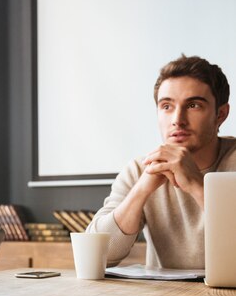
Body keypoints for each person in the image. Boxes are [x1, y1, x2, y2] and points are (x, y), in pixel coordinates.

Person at [87, 55, 236, 269]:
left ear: (221, 114)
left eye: (193, 105)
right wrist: (142, 189)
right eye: (166, 106)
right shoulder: (140, 169)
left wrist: (196, 185)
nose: (177, 119)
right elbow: (99, 255)